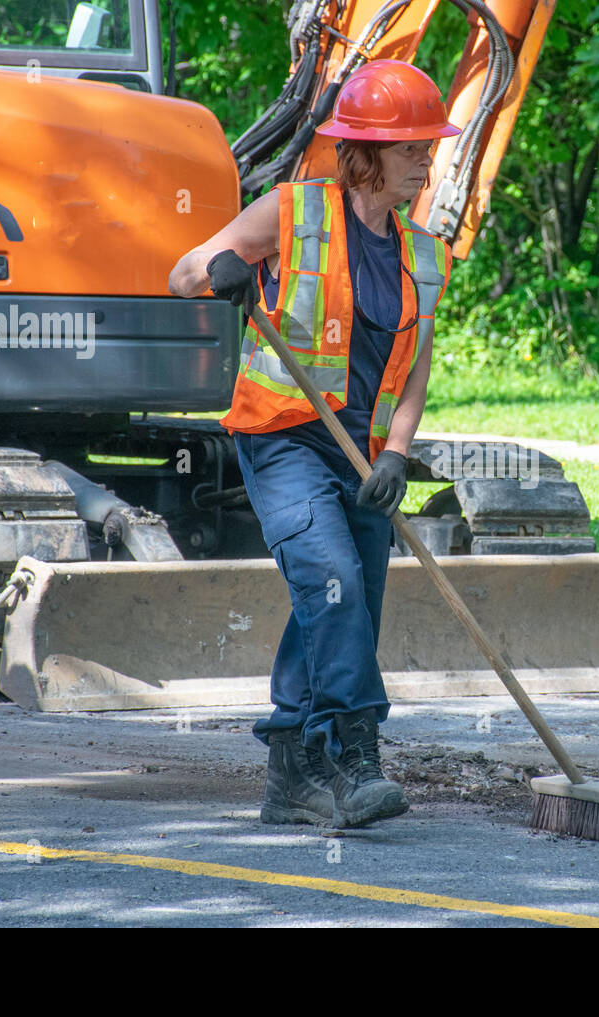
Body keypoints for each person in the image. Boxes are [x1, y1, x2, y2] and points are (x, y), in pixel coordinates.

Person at [167, 59, 458, 828]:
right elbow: (182, 273)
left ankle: (290, 773)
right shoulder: (293, 212)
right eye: (411, 149)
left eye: (428, 147)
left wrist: (396, 452)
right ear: (362, 154)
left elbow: (413, 374)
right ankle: (357, 753)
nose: (426, 162)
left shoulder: (425, 256)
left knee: (338, 603)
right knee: (332, 578)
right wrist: (225, 270)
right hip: (284, 439)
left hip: (363, 456)